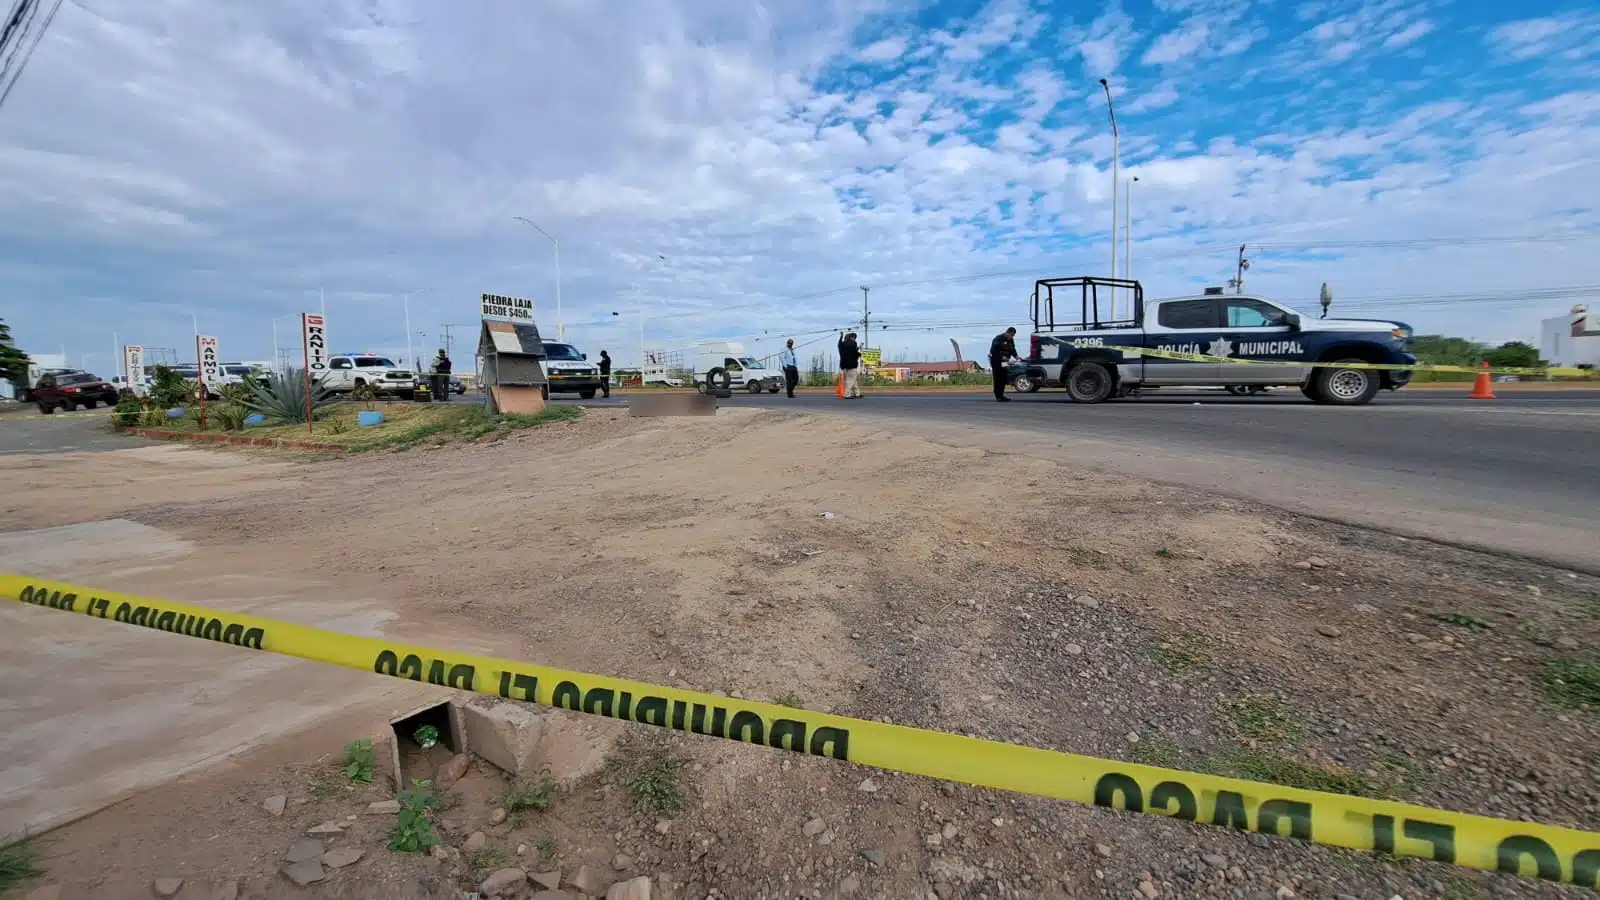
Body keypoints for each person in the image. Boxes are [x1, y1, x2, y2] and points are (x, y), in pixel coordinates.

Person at [989, 327, 1017, 402]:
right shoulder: (998, 339)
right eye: (1011, 335)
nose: (1011, 337)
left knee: (1004, 377)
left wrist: (1016, 356)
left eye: (1013, 336)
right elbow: (993, 351)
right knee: (998, 378)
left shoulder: (1010, 340)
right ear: (1007, 332)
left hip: (1005, 362)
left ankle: (1001, 395)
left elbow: (1012, 349)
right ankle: (998, 395)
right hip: (996, 361)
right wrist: (1001, 356)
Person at [838, 332, 862, 399]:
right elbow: (854, 353)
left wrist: (841, 336)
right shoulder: (853, 344)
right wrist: (859, 354)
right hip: (851, 365)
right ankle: (847, 394)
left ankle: (857, 393)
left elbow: (840, 345)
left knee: (852, 380)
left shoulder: (842, 345)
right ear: (852, 338)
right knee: (851, 380)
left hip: (843, 366)